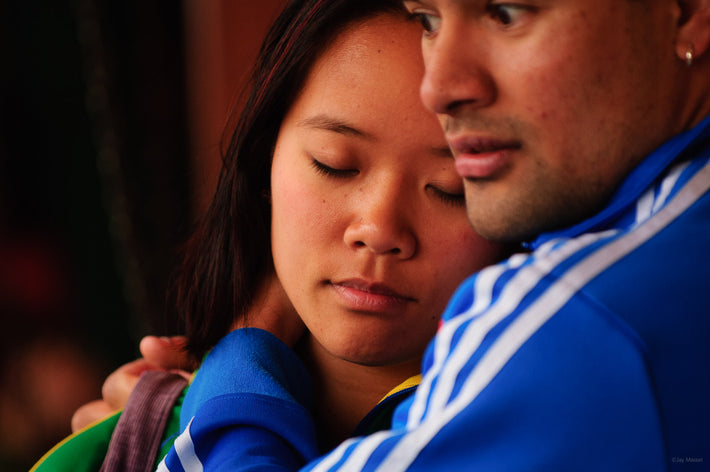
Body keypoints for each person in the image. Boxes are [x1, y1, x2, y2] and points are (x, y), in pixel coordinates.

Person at [152, 0, 710, 470]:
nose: (439, 85)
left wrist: (228, 387)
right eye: (428, 17)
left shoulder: (581, 323)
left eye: (507, 12)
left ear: (686, 13)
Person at [32, 0, 511, 470]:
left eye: (451, 190)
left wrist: (233, 376)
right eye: (334, 163)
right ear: (264, 165)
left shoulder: (534, 426)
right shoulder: (138, 431)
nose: (379, 230)